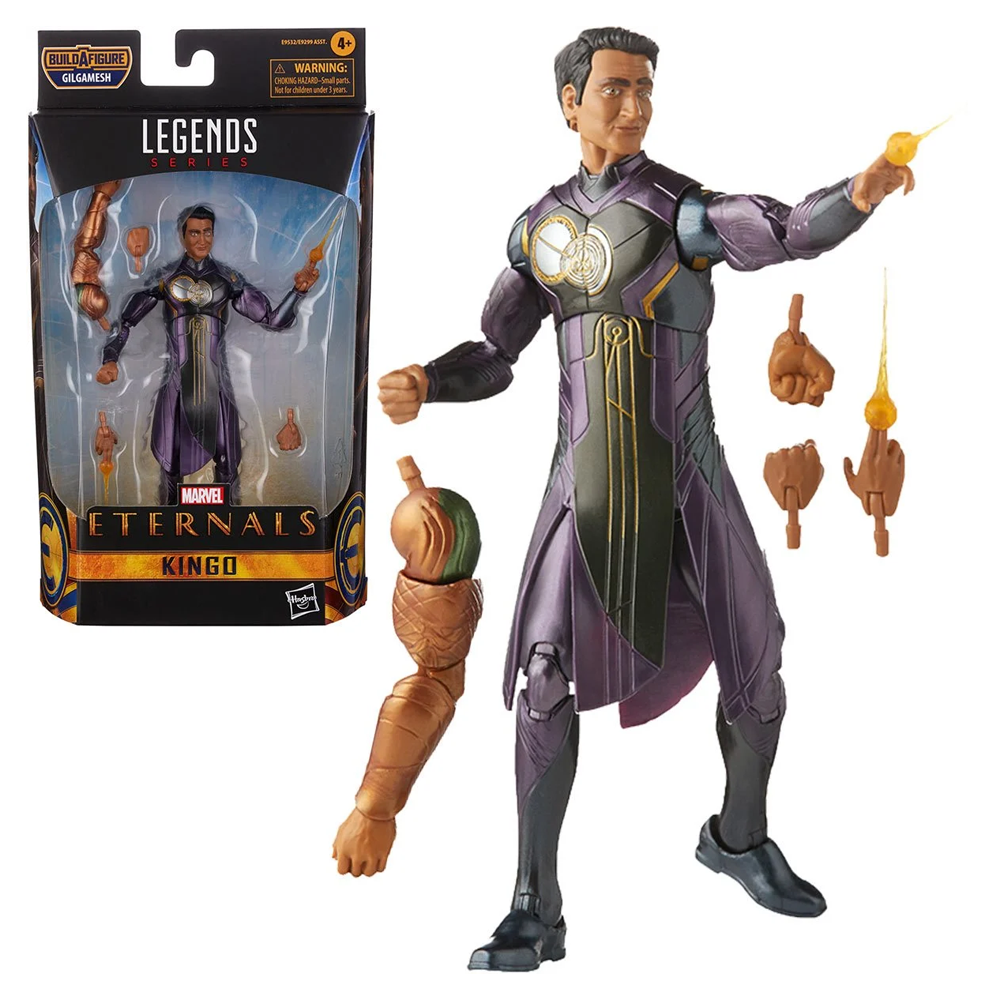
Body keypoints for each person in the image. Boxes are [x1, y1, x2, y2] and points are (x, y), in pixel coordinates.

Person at [378, 26, 914, 972]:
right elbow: (496, 353)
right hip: (580, 480)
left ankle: (738, 839)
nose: (635, 106)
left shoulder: (682, 214)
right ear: (570, 103)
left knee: (758, 660)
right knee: (544, 678)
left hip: (687, 475)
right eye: (616, 89)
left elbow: (789, 230)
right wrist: (430, 380)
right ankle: (534, 906)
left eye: (646, 89)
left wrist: (860, 193)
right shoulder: (538, 229)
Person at [96, 205, 319, 504]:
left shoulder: (228, 279)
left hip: (217, 384)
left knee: (228, 461)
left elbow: (273, 319)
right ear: (183, 235)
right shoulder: (165, 278)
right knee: (170, 464)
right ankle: (169, 521)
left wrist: (298, 292)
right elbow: (125, 321)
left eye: (207, 232)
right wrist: (110, 358)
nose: (202, 240)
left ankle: (230, 520)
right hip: (176, 383)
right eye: (194, 233)